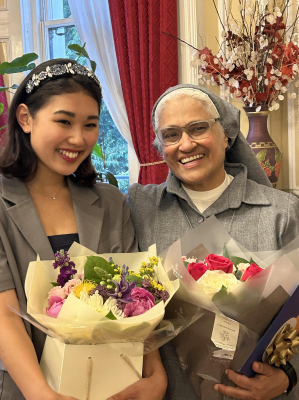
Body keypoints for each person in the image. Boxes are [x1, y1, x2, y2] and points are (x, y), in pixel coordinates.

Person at [0, 58, 167, 400]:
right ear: (25, 118)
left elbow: (134, 296)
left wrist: (155, 372)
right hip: (25, 385)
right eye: (64, 121)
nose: (78, 138)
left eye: (90, 124)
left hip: (113, 378)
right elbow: (4, 313)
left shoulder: (108, 202)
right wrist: (41, 393)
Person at [126, 84, 299, 400]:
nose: (186, 144)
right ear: (159, 146)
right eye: (171, 134)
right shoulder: (139, 208)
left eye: (198, 128)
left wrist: (288, 377)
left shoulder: (280, 211)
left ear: (226, 134)